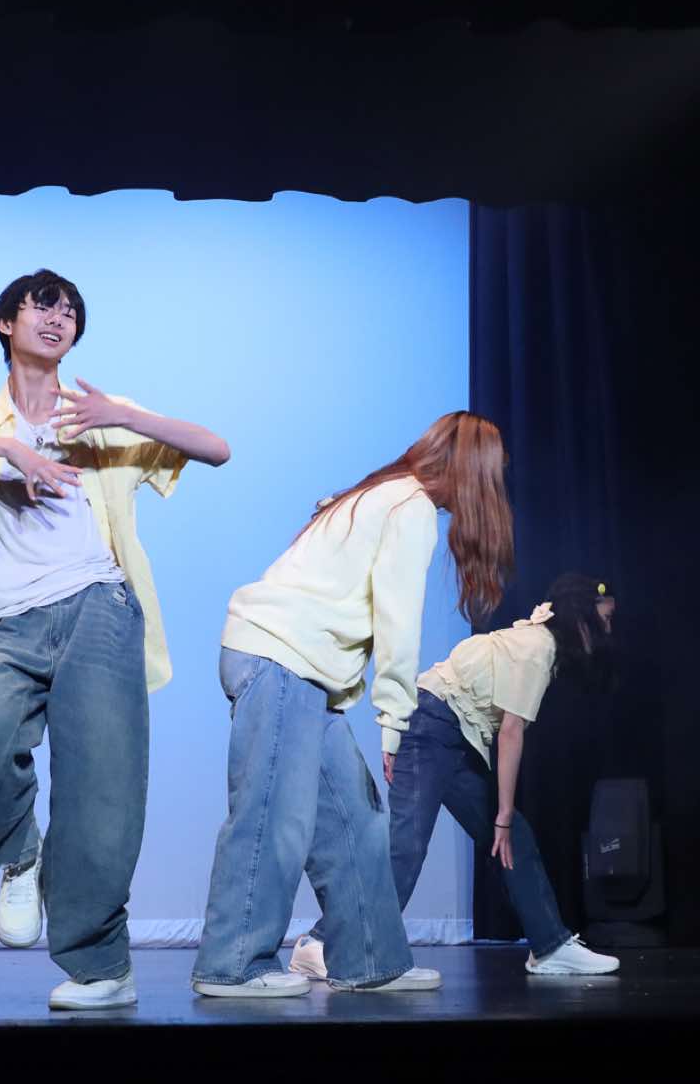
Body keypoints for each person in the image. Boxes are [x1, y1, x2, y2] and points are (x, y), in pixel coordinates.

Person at [0, 268, 231, 1010]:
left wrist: (123, 418)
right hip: (10, 618)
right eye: (42, 305)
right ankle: (19, 853)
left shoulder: (96, 413)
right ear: (6, 322)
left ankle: (103, 968)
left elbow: (215, 447)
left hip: (98, 604)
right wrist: (10, 452)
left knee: (102, 791)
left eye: (69, 310)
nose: (57, 317)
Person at [192, 411, 513, 997]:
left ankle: (371, 959)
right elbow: (397, 624)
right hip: (281, 659)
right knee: (272, 817)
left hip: (301, 672)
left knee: (356, 823)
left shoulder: (381, 494)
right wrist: (394, 724)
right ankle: (232, 965)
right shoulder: (408, 506)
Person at [292, 574, 622, 979]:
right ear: (582, 619)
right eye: (605, 620)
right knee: (405, 848)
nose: (608, 630)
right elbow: (511, 732)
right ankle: (321, 942)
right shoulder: (538, 648)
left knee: (514, 840)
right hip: (432, 727)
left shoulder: (541, 647)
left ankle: (550, 946)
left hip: (455, 737)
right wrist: (502, 814)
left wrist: (505, 822)